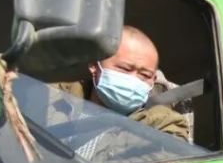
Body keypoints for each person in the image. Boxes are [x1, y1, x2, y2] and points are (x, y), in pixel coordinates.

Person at [50, 25, 191, 150]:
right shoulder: (52, 97)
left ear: (153, 80)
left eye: (144, 75)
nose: (133, 80)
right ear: (94, 65)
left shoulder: (162, 124)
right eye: (124, 69)